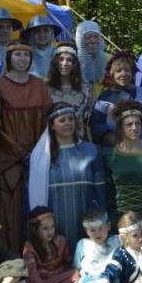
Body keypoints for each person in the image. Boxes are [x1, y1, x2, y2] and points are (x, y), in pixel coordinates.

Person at [0, 43, 51, 252]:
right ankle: (12, 255)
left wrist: (37, 153)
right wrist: (18, 152)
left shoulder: (39, 85)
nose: (22, 59)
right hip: (8, 158)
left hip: (38, 156)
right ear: (9, 58)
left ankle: (41, 255)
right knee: (10, 208)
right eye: (17, 54)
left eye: (26, 55)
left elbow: (47, 121)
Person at [27, 102, 108, 246]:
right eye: (62, 120)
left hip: (87, 224)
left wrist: (100, 220)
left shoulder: (91, 151)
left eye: (71, 119)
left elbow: (101, 193)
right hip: (54, 225)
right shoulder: (42, 157)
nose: (68, 123)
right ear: (52, 125)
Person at [22, 206, 78, 283]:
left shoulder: (61, 241)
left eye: (52, 227)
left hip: (58, 278)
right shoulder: (29, 247)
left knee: (76, 274)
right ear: (35, 230)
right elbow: (33, 273)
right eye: (45, 229)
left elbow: (67, 263)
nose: (50, 232)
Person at [90, 51, 142, 147]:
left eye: (127, 70)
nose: (123, 74)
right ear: (112, 74)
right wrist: (120, 145)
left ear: (133, 72)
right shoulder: (105, 97)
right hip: (114, 151)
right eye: (118, 71)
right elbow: (97, 126)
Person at [46, 42, 92, 137]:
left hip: (78, 138)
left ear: (75, 64)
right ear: (55, 62)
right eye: (61, 59)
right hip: (52, 139)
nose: (64, 63)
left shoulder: (86, 89)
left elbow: (87, 119)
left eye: (69, 60)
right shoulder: (45, 88)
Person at [22, 14, 63, 79]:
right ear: (30, 34)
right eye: (37, 31)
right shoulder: (23, 55)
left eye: (46, 30)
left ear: (51, 33)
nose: (42, 34)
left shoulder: (61, 53)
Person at [75, 19, 108, 91]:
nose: (93, 41)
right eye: (88, 37)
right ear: (80, 40)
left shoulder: (109, 59)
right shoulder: (73, 62)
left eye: (96, 37)